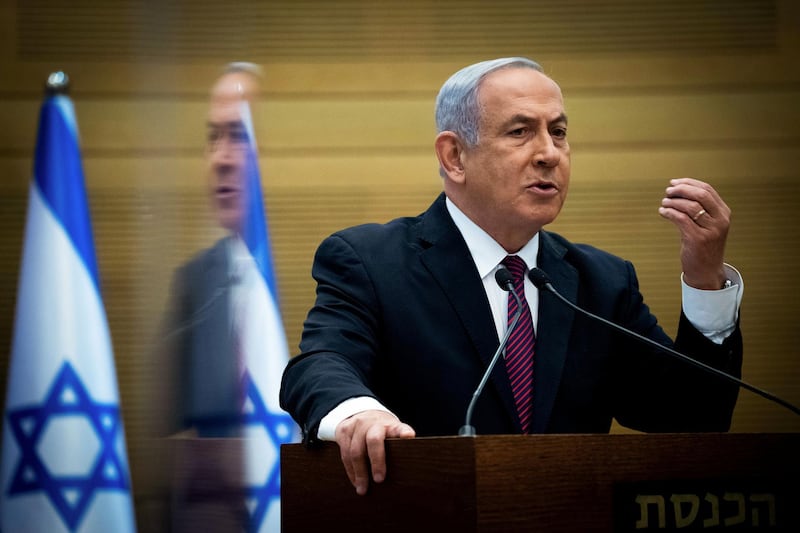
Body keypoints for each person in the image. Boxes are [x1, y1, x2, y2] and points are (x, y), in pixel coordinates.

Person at [279, 57, 744, 497]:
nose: (549, 153)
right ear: (454, 156)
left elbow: (692, 415)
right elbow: (319, 364)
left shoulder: (602, 282)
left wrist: (705, 277)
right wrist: (358, 413)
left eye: (559, 133)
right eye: (520, 132)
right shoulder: (371, 262)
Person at [155, 63, 295, 532]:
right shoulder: (195, 283)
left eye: (238, 135)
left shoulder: (341, 274)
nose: (220, 158)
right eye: (213, 138)